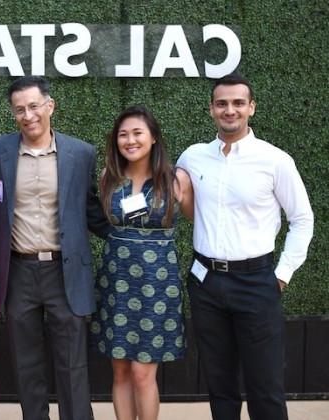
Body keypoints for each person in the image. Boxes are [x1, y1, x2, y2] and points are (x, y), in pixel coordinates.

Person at [176, 73, 314, 420]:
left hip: (256, 283)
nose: (230, 110)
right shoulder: (193, 157)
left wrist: (281, 275)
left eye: (238, 102)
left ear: (251, 107)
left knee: (264, 386)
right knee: (220, 386)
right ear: (210, 109)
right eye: (222, 103)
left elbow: (302, 219)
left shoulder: (275, 160)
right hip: (206, 282)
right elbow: (182, 201)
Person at [0, 76, 111, 420]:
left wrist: (133, 232)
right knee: (26, 365)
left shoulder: (81, 153)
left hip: (65, 270)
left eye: (34, 106)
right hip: (18, 271)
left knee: (73, 366)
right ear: (13, 114)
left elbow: (90, 209)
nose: (28, 115)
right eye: (20, 109)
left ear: (50, 106)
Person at [90, 106, 193, 420]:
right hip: (116, 282)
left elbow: (205, 225)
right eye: (123, 134)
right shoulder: (110, 177)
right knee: (120, 370)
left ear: (153, 138)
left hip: (157, 287)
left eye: (137, 133)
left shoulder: (176, 179)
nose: (130, 140)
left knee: (142, 373)